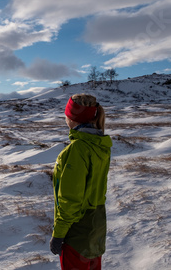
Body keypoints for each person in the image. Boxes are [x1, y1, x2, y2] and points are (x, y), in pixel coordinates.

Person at [50, 94, 113, 270]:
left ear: (72, 118)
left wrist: (59, 234)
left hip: (77, 234)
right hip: (96, 229)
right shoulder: (99, 143)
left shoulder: (77, 149)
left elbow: (71, 199)